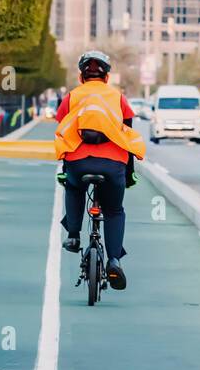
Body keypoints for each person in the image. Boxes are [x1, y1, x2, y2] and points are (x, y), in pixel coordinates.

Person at [54, 50, 147, 290]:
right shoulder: (118, 98)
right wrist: (128, 173)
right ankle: (114, 259)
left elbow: (64, 130)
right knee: (114, 210)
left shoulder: (72, 97)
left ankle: (73, 235)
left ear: (81, 76)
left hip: (78, 162)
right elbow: (127, 135)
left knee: (73, 187)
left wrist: (67, 167)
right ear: (107, 77)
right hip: (113, 164)